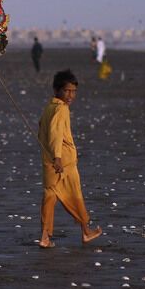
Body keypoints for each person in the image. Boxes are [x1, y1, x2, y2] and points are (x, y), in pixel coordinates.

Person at [37, 70, 102, 248]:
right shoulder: (61, 109)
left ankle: (45, 236)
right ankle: (86, 231)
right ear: (57, 90)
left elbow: (42, 128)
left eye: (74, 91)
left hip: (49, 161)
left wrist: (50, 155)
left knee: (49, 196)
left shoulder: (49, 107)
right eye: (67, 91)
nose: (71, 95)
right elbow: (56, 134)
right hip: (63, 163)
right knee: (75, 195)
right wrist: (57, 157)